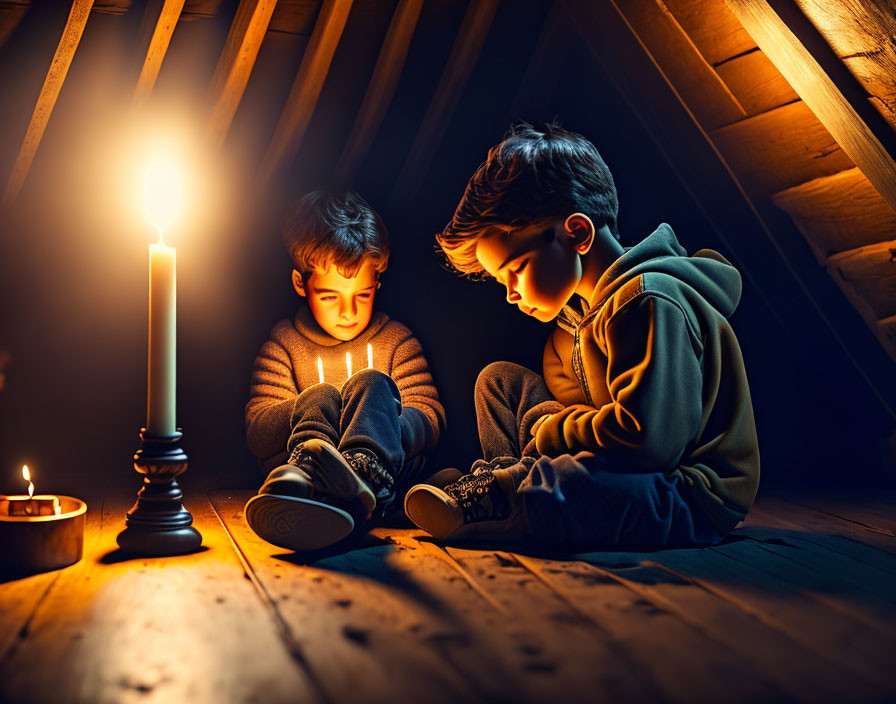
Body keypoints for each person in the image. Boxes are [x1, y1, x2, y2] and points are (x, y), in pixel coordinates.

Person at [404, 122, 759, 549]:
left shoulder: (649, 302)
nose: (511, 294)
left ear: (577, 232)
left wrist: (554, 432)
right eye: (503, 282)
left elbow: (647, 442)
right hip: (617, 460)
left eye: (515, 270)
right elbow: (583, 427)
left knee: (574, 485)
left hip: (683, 489)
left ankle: (502, 495)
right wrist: (553, 431)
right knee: (497, 381)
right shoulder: (570, 327)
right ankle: (501, 482)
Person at [245, 191, 445, 551]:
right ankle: (309, 478)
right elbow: (258, 429)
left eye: (363, 295)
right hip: (301, 480)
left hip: (386, 477)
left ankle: (363, 477)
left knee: (372, 384)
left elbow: (429, 415)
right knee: (319, 395)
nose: (348, 312)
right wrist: (316, 407)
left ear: (378, 283)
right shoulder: (284, 345)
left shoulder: (396, 342)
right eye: (330, 296)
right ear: (300, 283)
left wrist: (375, 420)